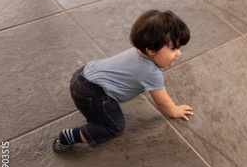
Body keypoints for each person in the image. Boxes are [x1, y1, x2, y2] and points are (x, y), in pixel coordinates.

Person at [53, 10, 193, 152]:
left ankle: (94, 113)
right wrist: (175, 111)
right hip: (91, 94)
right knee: (114, 127)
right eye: (173, 48)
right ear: (151, 49)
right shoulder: (152, 73)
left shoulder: (137, 52)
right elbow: (163, 102)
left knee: (102, 107)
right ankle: (70, 136)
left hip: (81, 75)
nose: (178, 53)